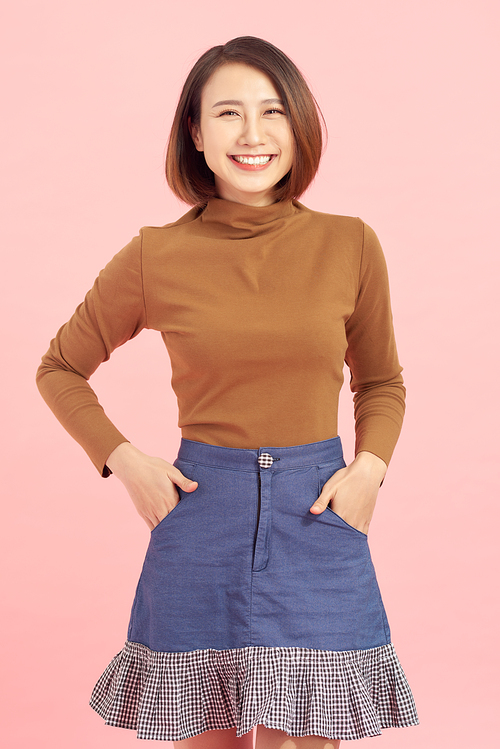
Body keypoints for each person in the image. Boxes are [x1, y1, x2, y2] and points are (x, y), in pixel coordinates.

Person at [36, 36, 418, 749]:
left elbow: (381, 381)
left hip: (317, 511)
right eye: (229, 113)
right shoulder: (156, 254)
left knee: (307, 737)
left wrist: (370, 469)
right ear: (196, 132)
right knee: (206, 740)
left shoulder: (351, 244)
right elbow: (59, 367)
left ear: (298, 126)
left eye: (272, 111)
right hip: (202, 514)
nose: (252, 134)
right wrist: (125, 460)